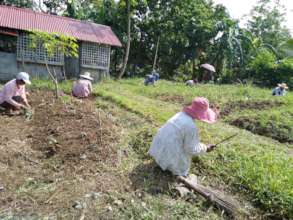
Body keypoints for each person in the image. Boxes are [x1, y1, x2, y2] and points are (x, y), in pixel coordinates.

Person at [148, 97, 218, 177]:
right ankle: (171, 169)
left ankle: (164, 162)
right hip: (170, 160)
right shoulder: (191, 126)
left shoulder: (179, 115)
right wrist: (205, 148)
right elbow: (191, 149)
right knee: (182, 168)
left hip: (157, 152)